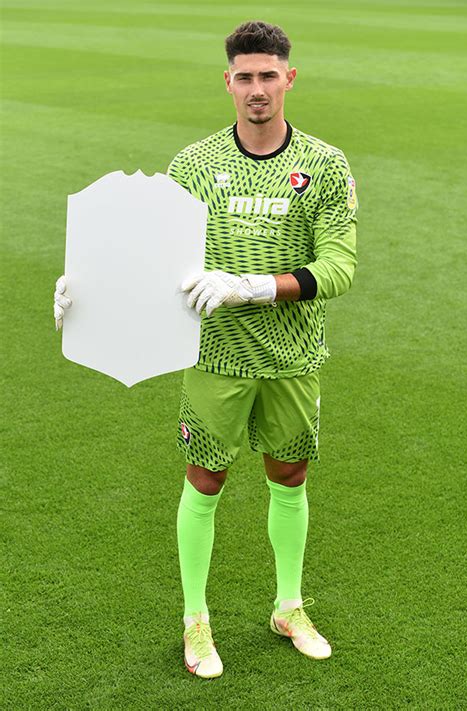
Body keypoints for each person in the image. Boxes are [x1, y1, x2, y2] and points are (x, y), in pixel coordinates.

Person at [54, 20, 358, 680]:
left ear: (289, 78)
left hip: (292, 355)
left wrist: (254, 285)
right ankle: (196, 617)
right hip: (214, 355)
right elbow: (149, 247)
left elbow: (338, 266)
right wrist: (85, 291)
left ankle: (288, 605)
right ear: (228, 81)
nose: (256, 89)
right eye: (244, 77)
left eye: (267, 75)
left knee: (290, 476)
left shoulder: (325, 165)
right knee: (206, 480)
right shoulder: (194, 164)